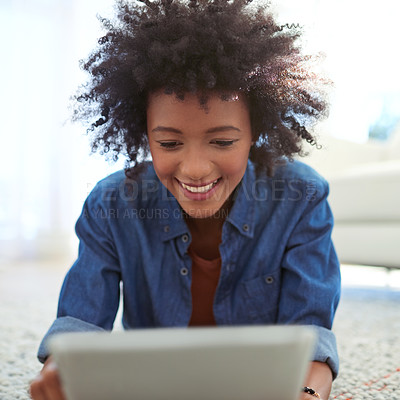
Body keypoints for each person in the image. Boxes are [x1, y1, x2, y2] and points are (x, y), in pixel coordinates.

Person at [29, 0, 341, 399]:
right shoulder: (112, 203)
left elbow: (311, 333)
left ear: (254, 131)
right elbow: (81, 322)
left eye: (223, 141)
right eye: (169, 142)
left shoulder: (300, 196)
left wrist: (308, 392)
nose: (194, 169)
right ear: (144, 133)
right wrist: (58, 373)